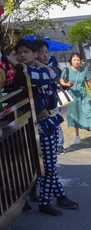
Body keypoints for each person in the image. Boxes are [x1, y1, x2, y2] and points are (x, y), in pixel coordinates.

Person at [7, 40, 79, 216]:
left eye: (26, 52)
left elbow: (49, 75)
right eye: (19, 53)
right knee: (45, 165)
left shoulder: (41, 71)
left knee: (49, 164)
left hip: (47, 123)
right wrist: (10, 62)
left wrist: (12, 60)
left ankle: (47, 198)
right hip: (31, 126)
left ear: (35, 54)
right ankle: (48, 199)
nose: (22, 55)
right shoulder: (19, 71)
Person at [33, 40, 64, 153]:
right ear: (35, 53)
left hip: (52, 106)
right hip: (39, 110)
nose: (45, 55)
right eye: (41, 53)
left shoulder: (52, 60)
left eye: (46, 52)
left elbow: (53, 74)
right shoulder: (30, 67)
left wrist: (35, 61)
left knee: (54, 130)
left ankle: (59, 146)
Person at [60, 53, 91, 144]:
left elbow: (89, 82)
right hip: (72, 95)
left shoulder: (84, 70)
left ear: (80, 61)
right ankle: (77, 136)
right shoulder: (67, 70)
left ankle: (89, 127)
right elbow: (62, 81)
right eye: (74, 60)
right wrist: (68, 84)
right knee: (75, 115)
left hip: (83, 95)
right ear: (71, 61)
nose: (76, 62)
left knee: (88, 112)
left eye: (78, 60)